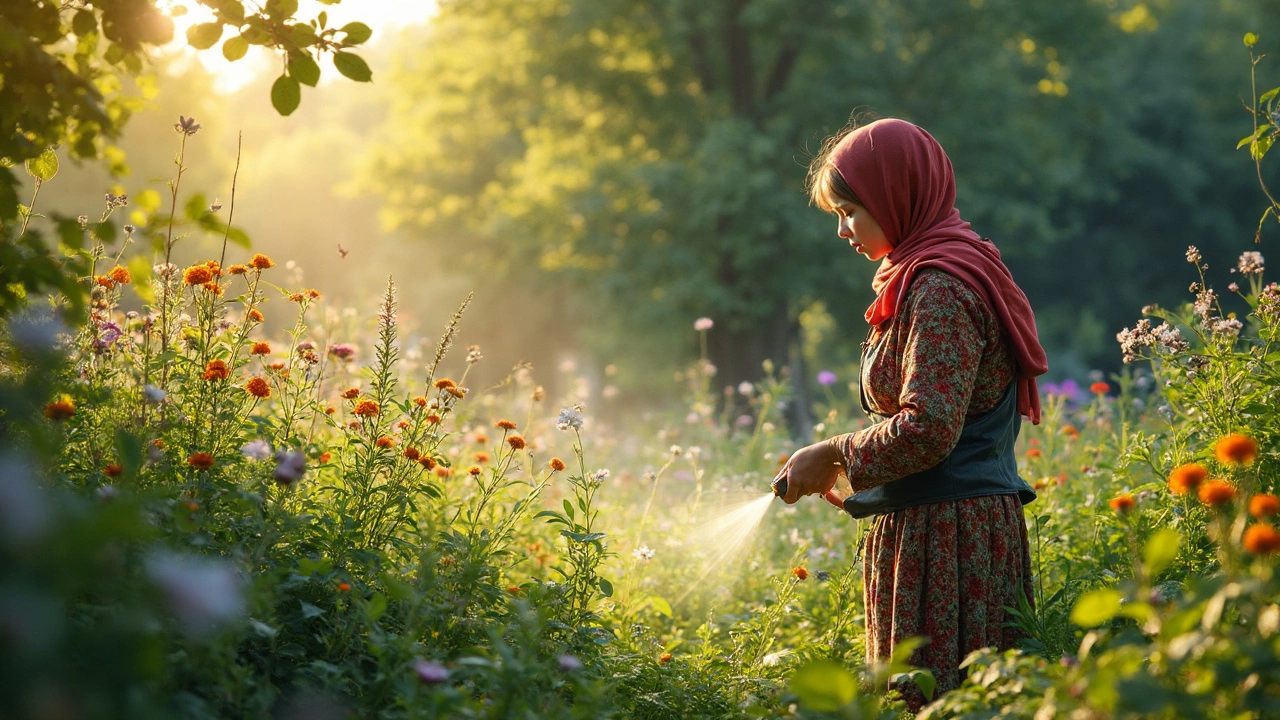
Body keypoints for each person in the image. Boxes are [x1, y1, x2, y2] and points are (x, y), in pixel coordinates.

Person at [772, 117, 1048, 709]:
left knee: (946, 700)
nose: (843, 230)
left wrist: (836, 452)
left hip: (949, 540)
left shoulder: (940, 287)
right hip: (938, 525)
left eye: (850, 210)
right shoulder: (929, 273)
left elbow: (929, 429)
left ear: (898, 194)